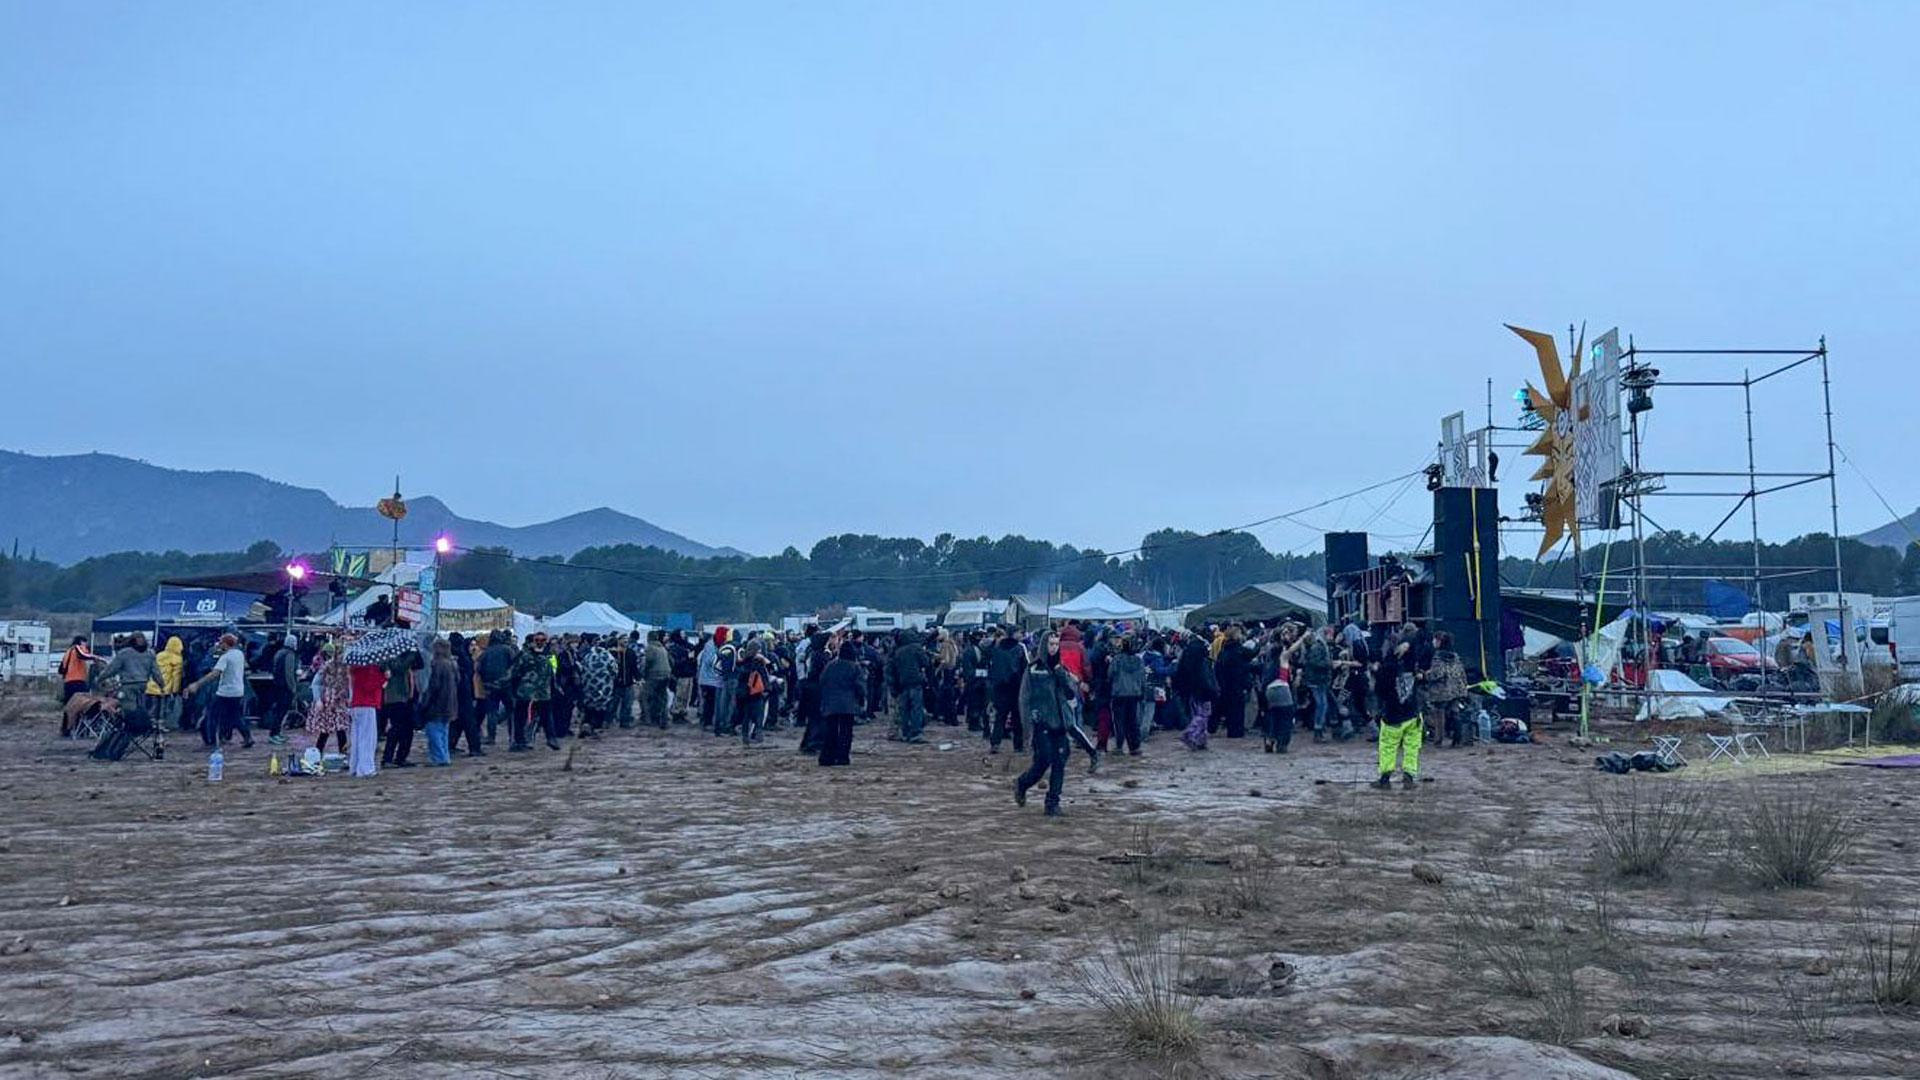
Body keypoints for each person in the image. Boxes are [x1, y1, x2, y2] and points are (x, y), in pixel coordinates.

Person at [1015, 630, 1078, 818]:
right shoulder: (1033, 669)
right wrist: (1028, 726)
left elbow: (1070, 694)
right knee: (1043, 761)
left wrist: (1062, 676)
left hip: (1059, 723)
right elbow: (1024, 698)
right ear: (1044, 645)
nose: (1054, 647)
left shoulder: (1061, 668)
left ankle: (1052, 802)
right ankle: (1023, 783)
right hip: (1041, 723)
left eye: (1056, 644)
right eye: (1051, 644)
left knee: (1059, 762)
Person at [184, 633, 253, 749]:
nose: (218, 644)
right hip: (238, 691)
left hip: (224, 692)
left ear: (225, 644)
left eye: (221, 642)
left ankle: (211, 741)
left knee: (212, 715)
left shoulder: (225, 657)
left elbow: (214, 673)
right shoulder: (239, 654)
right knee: (235, 716)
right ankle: (247, 737)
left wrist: (197, 684)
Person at [1375, 632, 1422, 789]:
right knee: (1412, 746)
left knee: (1388, 746)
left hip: (1393, 715)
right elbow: (1419, 638)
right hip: (1412, 713)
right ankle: (1409, 775)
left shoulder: (1385, 667)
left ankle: (1385, 777)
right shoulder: (1410, 662)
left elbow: (1379, 691)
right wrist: (1408, 643)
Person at [818, 641, 865, 766]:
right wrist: (861, 699)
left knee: (830, 730)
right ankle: (842, 757)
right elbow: (860, 686)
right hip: (848, 704)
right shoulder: (855, 667)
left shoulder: (830, 665)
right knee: (846, 731)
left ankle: (827, 757)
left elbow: (822, 681)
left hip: (830, 703)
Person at [510, 631, 559, 750]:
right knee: (523, 717)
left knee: (544, 716)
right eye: (537, 640)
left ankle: (549, 738)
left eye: (542, 640)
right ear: (532, 642)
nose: (540, 643)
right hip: (531, 691)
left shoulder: (549, 656)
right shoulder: (526, 655)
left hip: (536, 691)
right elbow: (515, 672)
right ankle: (521, 741)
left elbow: (553, 673)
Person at [308, 643, 352, 755]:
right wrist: (317, 699)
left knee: (341, 729)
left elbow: (350, 684)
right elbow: (316, 683)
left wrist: (350, 697)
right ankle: (317, 754)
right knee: (325, 730)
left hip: (340, 700)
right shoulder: (327, 666)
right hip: (328, 700)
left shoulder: (347, 668)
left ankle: (343, 755)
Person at [420, 638, 459, 766]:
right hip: (450, 702)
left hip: (438, 703)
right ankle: (444, 757)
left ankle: (439, 758)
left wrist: (425, 702)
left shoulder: (438, 664)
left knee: (433, 731)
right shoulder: (452, 663)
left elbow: (434, 686)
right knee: (443, 731)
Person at [1107, 634, 1147, 756]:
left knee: (1119, 721)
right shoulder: (1139, 661)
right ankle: (1134, 747)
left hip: (1119, 694)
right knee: (1132, 720)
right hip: (1134, 694)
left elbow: (1110, 675)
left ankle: (1119, 746)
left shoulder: (1117, 660)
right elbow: (1143, 678)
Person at [380, 648, 420, 768]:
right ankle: (387, 758)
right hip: (395, 698)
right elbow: (399, 668)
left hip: (406, 696)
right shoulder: (389, 656)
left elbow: (419, 664)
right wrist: (411, 655)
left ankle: (401, 757)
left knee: (408, 730)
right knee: (396, 729)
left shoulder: (404, 655)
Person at [987, 631, 1026, 753]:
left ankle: (995, 743)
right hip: (1016, 688)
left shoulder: (997, 650)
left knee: (1000, 717)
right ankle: (1018, 745)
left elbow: (993, 669)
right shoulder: (1019, 649)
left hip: (1000, 688)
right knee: (1017, 718)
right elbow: (1024, 668)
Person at [346, 653, 385, 777]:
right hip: (367, 704)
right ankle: (366, 768)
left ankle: (355, 766)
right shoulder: (370, 668)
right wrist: (383, 678)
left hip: (356, 704)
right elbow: (370, 686)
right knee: (368, 738)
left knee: (356, 737)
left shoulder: (355, 667)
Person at [888, 630, 930, 743]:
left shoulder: (898, 652)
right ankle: (916, 732)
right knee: (916, 708)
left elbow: (893, 670)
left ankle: (905, 732)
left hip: (902, 684)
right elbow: (926, 662)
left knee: (904, 710)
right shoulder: (916, 648)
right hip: (916, 682)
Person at [478, 630, 516, 745]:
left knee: (491, 712)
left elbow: (479, 668)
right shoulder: (508, 650)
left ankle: (491, 737)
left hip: (490, 686)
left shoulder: (486, 653)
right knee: (512, 711)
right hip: (507, 685)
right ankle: (513, 737)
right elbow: (515, 665)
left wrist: (486, 682)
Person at [448, 632, 483, 756]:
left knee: (457, 721)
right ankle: (475, 748)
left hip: (454, 693)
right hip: (464, 693)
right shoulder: (462, 656)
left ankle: (450, 745)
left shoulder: (451, 654)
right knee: (469, 723)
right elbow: (468, 675)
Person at [263, 632, 301, 745]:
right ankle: (274, 734)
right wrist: (293, 688)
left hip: (277, 685)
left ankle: (276, 733)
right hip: (285, 687)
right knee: (281, 711)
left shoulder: (280, 652)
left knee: (278, 710)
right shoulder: (289, 654)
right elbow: (289, 673)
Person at [577, 635, 617, 739]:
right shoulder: (608, 656)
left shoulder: (588, 656)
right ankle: (595, 728)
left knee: (589, 706)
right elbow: (614, 671)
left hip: (589, 687)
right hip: (604, 687)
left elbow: (582, 669)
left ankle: (586, 724)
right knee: (601, 708)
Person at [146, 635, 185, 733]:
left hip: (151, 685)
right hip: (165, 687)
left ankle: (150, 725)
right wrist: (175, 690)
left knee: (153, 707)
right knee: (162, 708)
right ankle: (160, 726)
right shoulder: (177, 659)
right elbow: (176, 676)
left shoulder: (159, 655)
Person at [737, 639, 773, 744]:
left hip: (744, 693)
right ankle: (758, 735)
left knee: (746, 716)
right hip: (757, 692)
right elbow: (767, 673)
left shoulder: (743, 661)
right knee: (759, 715)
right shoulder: (758, 663)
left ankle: (745, 736)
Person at [59, 635, 99, 720]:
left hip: (67, 682)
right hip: (78, 681)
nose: (86, 645)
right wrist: (96, 658)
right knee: (82, 705)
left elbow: (61, 669)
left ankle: (67, 727)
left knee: (69, 706)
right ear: (81, 642)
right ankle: (79, 724)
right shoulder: (79, 648)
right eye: (85, 642)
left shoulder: (68, 652)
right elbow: (83, 655)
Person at [643, 630, 674, 729]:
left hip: (654, 675)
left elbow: (648, 662)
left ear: (648, 638)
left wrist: (643, 674)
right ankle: (664, 720)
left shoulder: (650, 648)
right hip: (666, 675)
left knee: (646, 697)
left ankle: (648, 719)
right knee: (663, 698)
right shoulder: (663, 648)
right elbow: (671, 661)